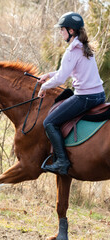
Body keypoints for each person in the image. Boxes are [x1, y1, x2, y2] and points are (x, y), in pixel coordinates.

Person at [38, 12, 106, 175]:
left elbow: (61, 78)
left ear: (71, 30)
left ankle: (62, 162)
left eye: (62, 29)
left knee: (49, 122)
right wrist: (49, 75)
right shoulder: (84, 47)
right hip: (99, 95)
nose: (60, 32)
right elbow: (67, 71)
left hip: (85, 98)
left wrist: (44, 87)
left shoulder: (71, 51)